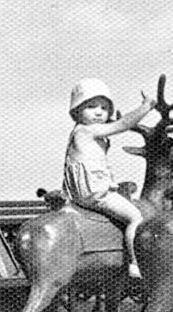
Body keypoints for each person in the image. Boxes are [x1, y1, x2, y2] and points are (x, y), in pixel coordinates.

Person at [63, 78, 156, 278]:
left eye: (104, 108)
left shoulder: (83, 133)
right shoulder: (88, 130)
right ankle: (135, 263)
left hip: (82, 193)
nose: (98, 112)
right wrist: (146, 107)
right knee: (135, 217)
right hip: (95, 193)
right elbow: (123, 124)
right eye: (91, 107)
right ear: (77, 111)